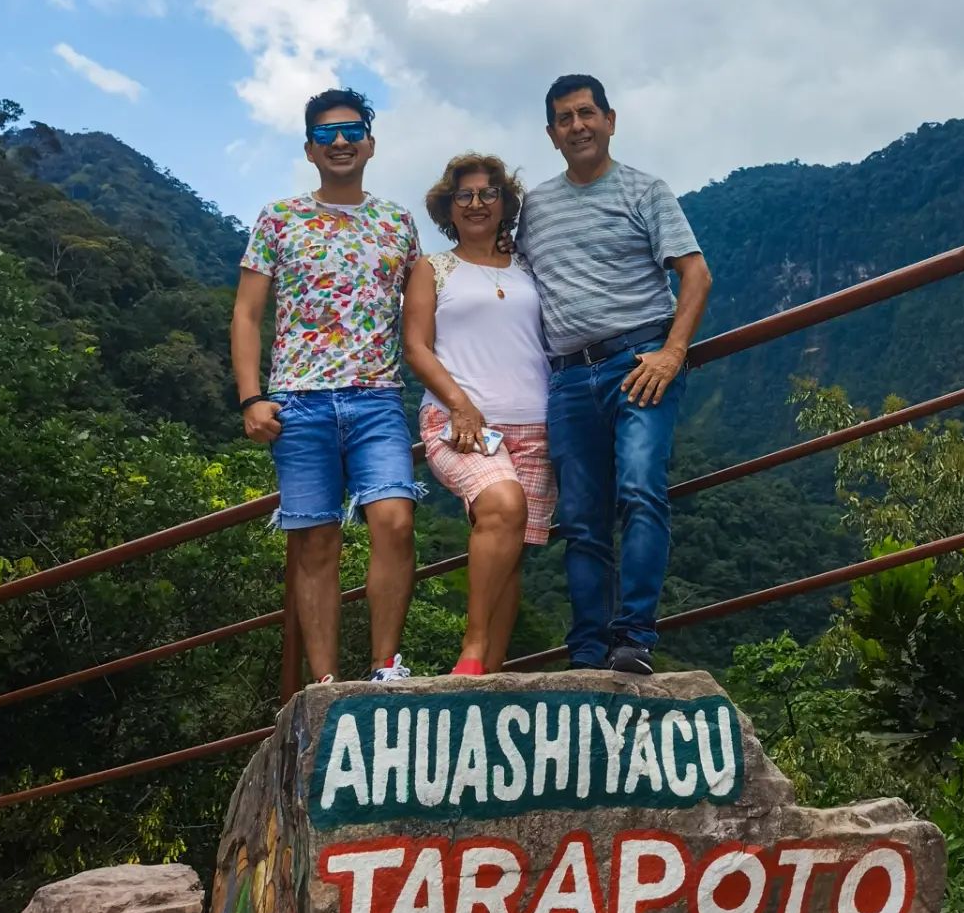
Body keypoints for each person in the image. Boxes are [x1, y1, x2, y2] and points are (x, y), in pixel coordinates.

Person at [519, 74, 712, 676]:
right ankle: (587, 650)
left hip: (639, 364)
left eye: (586, 114)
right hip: (569, 377)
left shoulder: (645, 191)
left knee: (639, 490)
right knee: (580, 520)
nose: (577, 126)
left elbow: (696, 274)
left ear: (610, 119)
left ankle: (634, 638)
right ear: (551, 135)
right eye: (564, 119)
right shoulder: (536, 209)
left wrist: (673, 352)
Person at [231, 88, 424, 686]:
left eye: (350, 130)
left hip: (377, 399)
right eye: (325, 134)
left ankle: (385, 667)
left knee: (394, 520)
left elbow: (421, 322)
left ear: (369, 141)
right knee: (315, 543)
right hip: (298, 402)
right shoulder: (278, 218)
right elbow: (246, 314)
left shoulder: (398, 223)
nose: (339, 142)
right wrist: (251, 397)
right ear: (310, 149)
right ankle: (324, 685)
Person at [404, 154, 555, 676]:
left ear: (504, 204)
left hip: (536, 425)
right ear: (448, 207)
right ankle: (472, 649)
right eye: (463, 196)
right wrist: (461, 405)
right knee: (500, 503)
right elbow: (417, 348)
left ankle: (488, 674)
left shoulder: (528, 267)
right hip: (458, 421)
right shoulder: (433, 268)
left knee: (509, 552)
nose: (475, 204)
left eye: (487, 194)